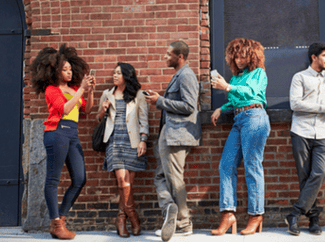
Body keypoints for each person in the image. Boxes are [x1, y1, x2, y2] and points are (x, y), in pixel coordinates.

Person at [29, 44, 95, 240]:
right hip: (57, 133)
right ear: (54, 71)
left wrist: (89, 91)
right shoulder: (52, 89)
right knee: (53, 179)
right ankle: (56, 224)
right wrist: (81, 90)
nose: (69, 72)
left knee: (80, 178)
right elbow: (65, 109)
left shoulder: (74, 89)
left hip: (72, 134)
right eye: (64, 69)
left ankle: (60, 220)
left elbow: (87, 110)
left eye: (70, 69)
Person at [210, 38, 270, 236]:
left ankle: (256, 215)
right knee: (226, 165)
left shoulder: (259, 73)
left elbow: (252, 92)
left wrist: (227, 87)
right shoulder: (236, 78)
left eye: (243, 56)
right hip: (238, 120)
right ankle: (228, 214)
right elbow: (236, 100)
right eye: (235, 56)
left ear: (252, 57)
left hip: (255, 117)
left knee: (252, 166)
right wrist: (222, 108)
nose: (238, 60)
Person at [145, 41, 201, 242]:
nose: (165, 57)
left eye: (169, 54)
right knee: (161, 176)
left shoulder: (186, 75)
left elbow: (188, 106)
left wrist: (159, 101)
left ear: (180, 56)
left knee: (174, 178)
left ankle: (184, 223)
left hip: (176, 135)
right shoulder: (180, 75)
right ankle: (169, 207)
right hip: (170, 133)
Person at [285, 42, 325, 236]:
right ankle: (313, 220)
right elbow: (295, 103)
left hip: (323, 133)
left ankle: (294, 214)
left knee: (319, 173)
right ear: (314, 57)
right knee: (305, 177)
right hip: (301, 132)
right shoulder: (299, 77)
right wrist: (323, 108)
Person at [96, 62, 148, 237]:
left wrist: (143, 140)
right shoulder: (107, 94)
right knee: (121, 181)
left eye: (118, 73)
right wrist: (103, 110)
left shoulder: (138, 95)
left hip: (132, 142)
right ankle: (132, 216)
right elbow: (98, 118)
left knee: (128, 185)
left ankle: (120, 218)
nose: (114, 75)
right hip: (114, 142)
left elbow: (144, 120)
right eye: (114, 73)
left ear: (126, 75)